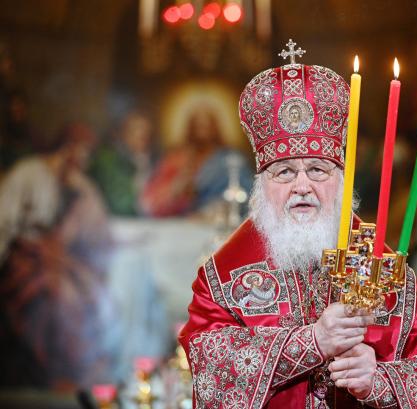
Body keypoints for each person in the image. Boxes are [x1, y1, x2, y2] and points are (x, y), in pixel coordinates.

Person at [179, 44, 417, 408]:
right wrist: (312, 342)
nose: (302, 186)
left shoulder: (384, 270)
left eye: (318, 170)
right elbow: (210, 373)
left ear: (342, 179)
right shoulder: (223, 278)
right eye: (284, 172)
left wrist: (378, 381)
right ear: (262, 185)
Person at [0, 122, 119, 389]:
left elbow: (97, 234)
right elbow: (4, 221)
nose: (82, 157)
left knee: (85, 294)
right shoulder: (28, 172)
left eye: (87, 152)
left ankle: (74, 372)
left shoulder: (80, 185)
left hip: (58, 260)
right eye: (77, 149)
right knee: (59, 295)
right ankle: (52, 373)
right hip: (22, 257)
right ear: (63, 147)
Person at [140, 104, 252, 218]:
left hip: (218, 222)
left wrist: (215, 210)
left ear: (215, 127)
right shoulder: (175, 158)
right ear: (190, 127)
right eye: (197, 125)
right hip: (180, 224)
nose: (202, 131)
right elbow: (151, 201)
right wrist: (176, 188)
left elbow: (247, 194)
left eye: (206, 125)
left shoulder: (231, 159)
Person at [90, 110, 156, 216]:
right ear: (123, 133)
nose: (142, 136)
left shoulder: (150, 161)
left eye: (147, 133)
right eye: (135, 130)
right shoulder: (108, 159)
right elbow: (122, 204)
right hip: (115, 224)